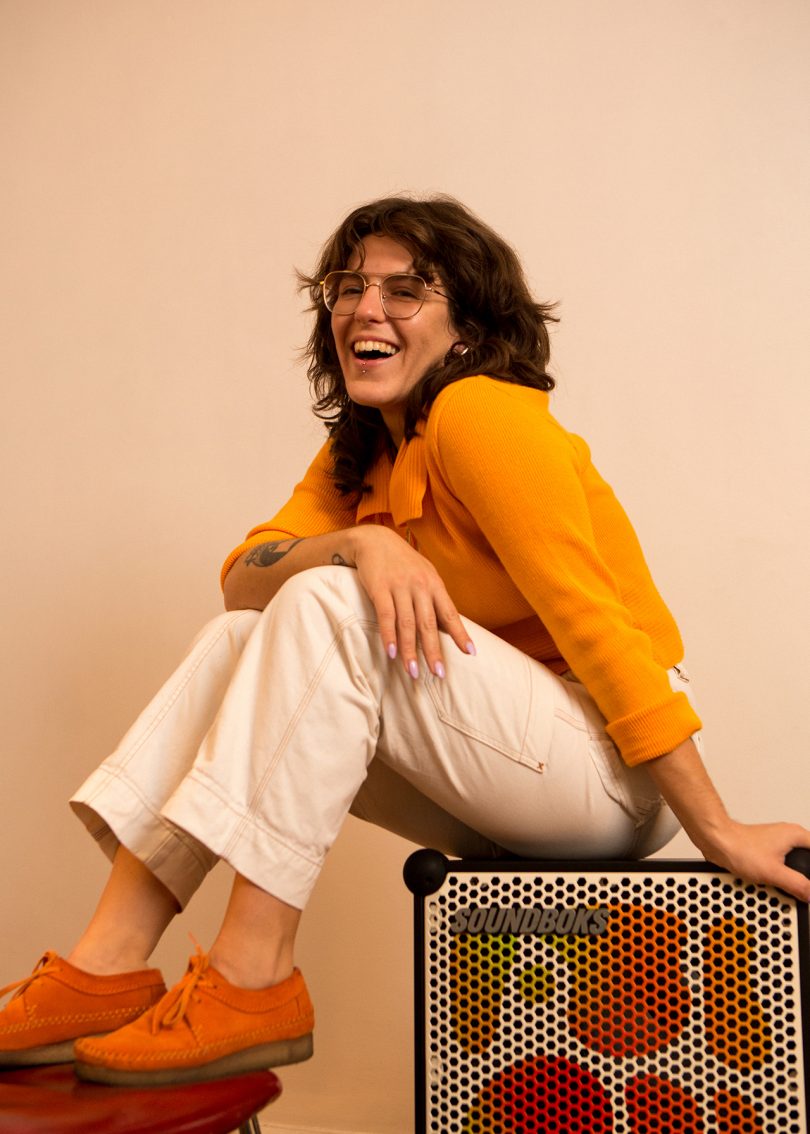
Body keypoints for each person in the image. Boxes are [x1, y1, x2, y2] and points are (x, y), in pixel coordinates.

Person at [2, 195, 809, 1088]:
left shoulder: (482, 415)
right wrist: (363, 538)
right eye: (348, 288)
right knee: (249, 633)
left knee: (325, 605)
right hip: (495, 776)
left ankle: (252, 972)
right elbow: (242, 577)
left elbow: (597, 627)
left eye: (406, 290)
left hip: (609, 773)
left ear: (465, 327)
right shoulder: (362, 452)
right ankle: (107, 964)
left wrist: (717, 826)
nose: (365, 309)